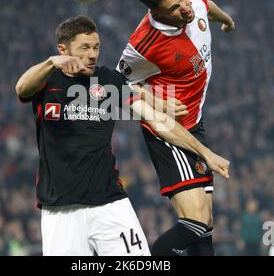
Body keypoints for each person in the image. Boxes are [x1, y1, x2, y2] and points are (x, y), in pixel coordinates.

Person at [15, 15, 229, 256]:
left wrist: (205, 153)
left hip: (109, 202)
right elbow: (22, 88)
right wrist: (51, 63)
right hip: (60, 209)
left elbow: (157, 121)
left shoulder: (109, 81)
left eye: (96, 47)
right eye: (84, 48)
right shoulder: (47, 80)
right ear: (63, 49)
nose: (92, 54)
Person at [117, 0, 235, 255]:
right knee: (196, 222)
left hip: (195, 122)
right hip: (168, 132)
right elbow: (117, 87)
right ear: (156, 11)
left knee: (205, 229)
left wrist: (226, 20)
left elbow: (207, 4)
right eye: (173, 8)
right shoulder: (144, 43)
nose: (184, 7)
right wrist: (158, 99)